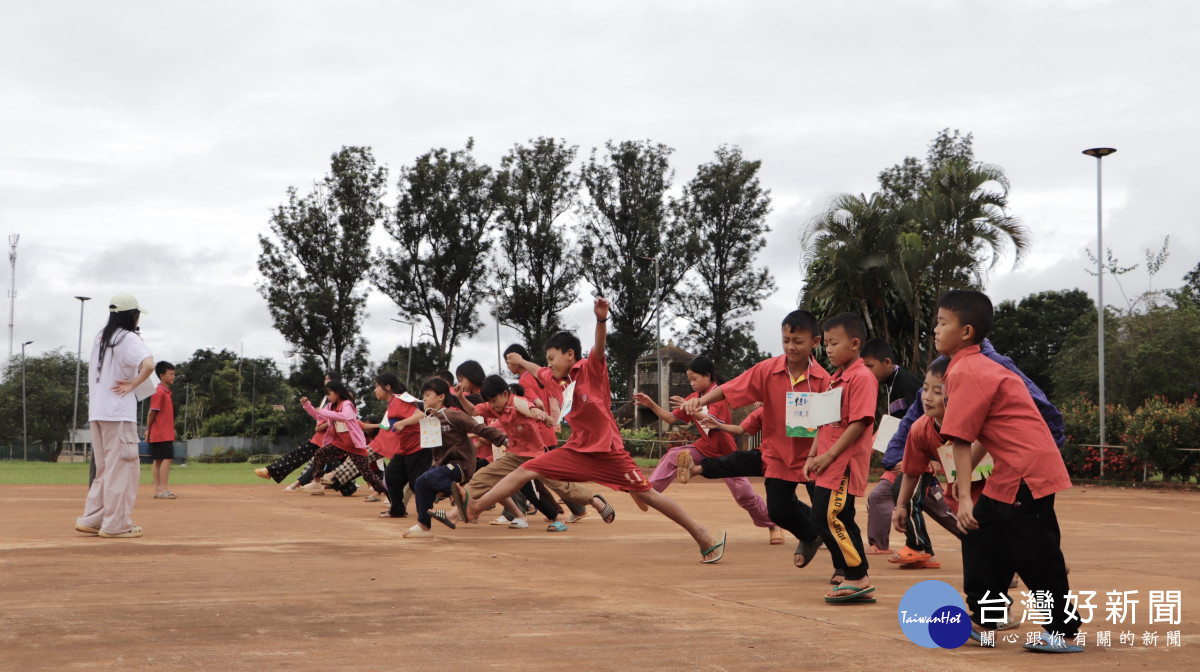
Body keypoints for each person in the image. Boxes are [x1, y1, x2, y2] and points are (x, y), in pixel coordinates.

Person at [465, 297, 726, 563]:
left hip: (608, 451)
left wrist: (601, 319)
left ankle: (701, 534)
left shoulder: (591, 369)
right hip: (578, 450)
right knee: (525, 469)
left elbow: (599, 349)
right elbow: (539, 370)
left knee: (647, 494)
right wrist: (521, 361)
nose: (550, 363)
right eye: (548, 359)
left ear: (570, 355)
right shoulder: (558, 378)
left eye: (553, 358)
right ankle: (475, 506)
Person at [934, 290, 1079, 652]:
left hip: (1026, 471)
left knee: (1033, 551)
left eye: (942, 323)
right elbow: (983, 433)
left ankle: (1062, 630)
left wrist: (965, 494)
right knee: (981, 535)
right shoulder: (972, 366)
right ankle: (983, 621)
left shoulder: (968, 370)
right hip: (1012, 468)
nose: (934, 330)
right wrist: (962, 485)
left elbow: (961, 441)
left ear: (966, 332)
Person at [679, 310, 829, 570]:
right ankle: (810, 535)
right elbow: (733, 387)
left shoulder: (824, 380)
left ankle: (845, 568)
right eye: (786, 340)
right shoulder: (767, 370)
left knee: (828, 515)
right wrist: (701, 401)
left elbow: (829, 425)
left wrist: (823, 455)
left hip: (813, 457)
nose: (791, 346)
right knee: (778, 511)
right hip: (777, 456)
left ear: (815, 342)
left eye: (798, 341)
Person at [634, 356, 780, 544]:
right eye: (689, 379)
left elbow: (712, 423)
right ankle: (647, 493)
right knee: (673, 456)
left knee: (745, 495)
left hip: (726, 454)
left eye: (694, 378)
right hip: (704, 448)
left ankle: (773, 525)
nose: (691, 383)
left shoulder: (717, 395)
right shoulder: (693, 398)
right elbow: (671, 419)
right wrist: (651, 404)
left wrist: (690, 409)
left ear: (707, 376)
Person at [446, 375, 610, 531]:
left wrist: (542, 415)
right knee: (483, 476)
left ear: (505, 393)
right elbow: (474, 411)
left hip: (537, 457)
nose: (492, 405)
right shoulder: (495, 406)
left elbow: (531, 410)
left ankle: (593, 500)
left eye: (494, 400)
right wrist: (460, 396)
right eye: (489, 401)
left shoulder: (518, 403)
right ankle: (456, 512)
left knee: (562, 488)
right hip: (514, 456)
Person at [804, 313, 878, 604]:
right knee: (836, 517)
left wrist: (830, 455)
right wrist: (812, 454)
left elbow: (859, 423)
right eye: (828, 344)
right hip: (827, 462)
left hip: (843, 464)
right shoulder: (834, 380)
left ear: (855, 343)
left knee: (829, 515)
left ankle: (858, 576)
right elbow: (823, 424)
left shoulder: (861, 377)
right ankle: (854, 574)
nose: (829, 349)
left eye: (834, 343)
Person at [75, 293, 154, 539]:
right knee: (123, 469)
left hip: (98, 412)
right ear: (132, 315)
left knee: (105, 469)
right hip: (119, 413)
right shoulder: (128, 338)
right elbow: (150, 365)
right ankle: (116, 524)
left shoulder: (101, 337)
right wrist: (133, 384)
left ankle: (93, 519)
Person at [404, 377, 509, 538]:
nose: (424, 398)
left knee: (430, 477)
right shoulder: (430, 418)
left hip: (461, 464)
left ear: (441, 397)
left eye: (428, 394)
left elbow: (478, 428)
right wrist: (434, 465)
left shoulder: (452, 415)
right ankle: (424, 526)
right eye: (423, 395)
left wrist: (503, 439)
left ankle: (461, 496)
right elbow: (435, 449)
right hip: (443, 465)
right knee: (420, 482)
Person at [504, 343, 592, 523]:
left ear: (518, 361)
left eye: (508, 361)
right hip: (548, 431)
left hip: (537, 434)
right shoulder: (539, 377)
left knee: (541, 477)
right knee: (549, 475)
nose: (508, 365)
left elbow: (536, 405)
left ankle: (559, 511)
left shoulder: (525, 380)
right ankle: (569, 509)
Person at [860, 338, 930, 559]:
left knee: (946, 508)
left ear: (887, 362)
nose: (867, 372)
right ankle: (889, 545)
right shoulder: (890, 384)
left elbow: (924, 420)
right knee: (882, 495)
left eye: (870, 366)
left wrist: (928, 459)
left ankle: (919, 548)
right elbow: (895, 423)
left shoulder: (905, 383)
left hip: (919, 456)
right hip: (906, 456)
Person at [298, 380, 388, 498]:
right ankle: (316, 482)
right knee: (320, 453)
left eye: (329, 393)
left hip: (354, 444)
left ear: (337, 392)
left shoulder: (347, 404)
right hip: (340, 442)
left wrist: (325, 412)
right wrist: (307, 405)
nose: (328, 397)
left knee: (365, 472)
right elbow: (319, 416)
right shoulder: (331, 406)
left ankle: (384, 490)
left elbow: (345, 416)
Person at [360, 373, 426, 519]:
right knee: (390, 477)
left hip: (418, 448)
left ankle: (455, 493)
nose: (375, 390)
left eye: (377, 386)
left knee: (418, 484)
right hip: (404, 449)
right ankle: (397, 510)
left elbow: (420, 415)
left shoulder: (398, 401)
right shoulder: (392, 403)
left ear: (388, 387)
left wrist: (402, 423)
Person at [254, 373, 337, 488]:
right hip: (320, 437)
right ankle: (272, 471)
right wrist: (307, 405)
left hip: (330, 440)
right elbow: (319, 417)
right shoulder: (326, 399)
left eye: (328, 379)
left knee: (315, 461)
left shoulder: (336, 401)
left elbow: (337, 418)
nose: (325, 381)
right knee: (299, 456)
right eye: (325, 379)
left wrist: (324, 425)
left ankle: (349, 486)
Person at [144, 360, 177, 500]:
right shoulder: (159, 392)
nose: (173, 376)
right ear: (162, 375)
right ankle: (163, 489)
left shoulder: (165, 392)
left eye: (174, 374)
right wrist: (148, 430)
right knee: (167, 458)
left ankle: (158, 490)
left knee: (158, 460)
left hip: (162, 432)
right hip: (162, 433)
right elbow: (151, 413)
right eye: (171, 374)